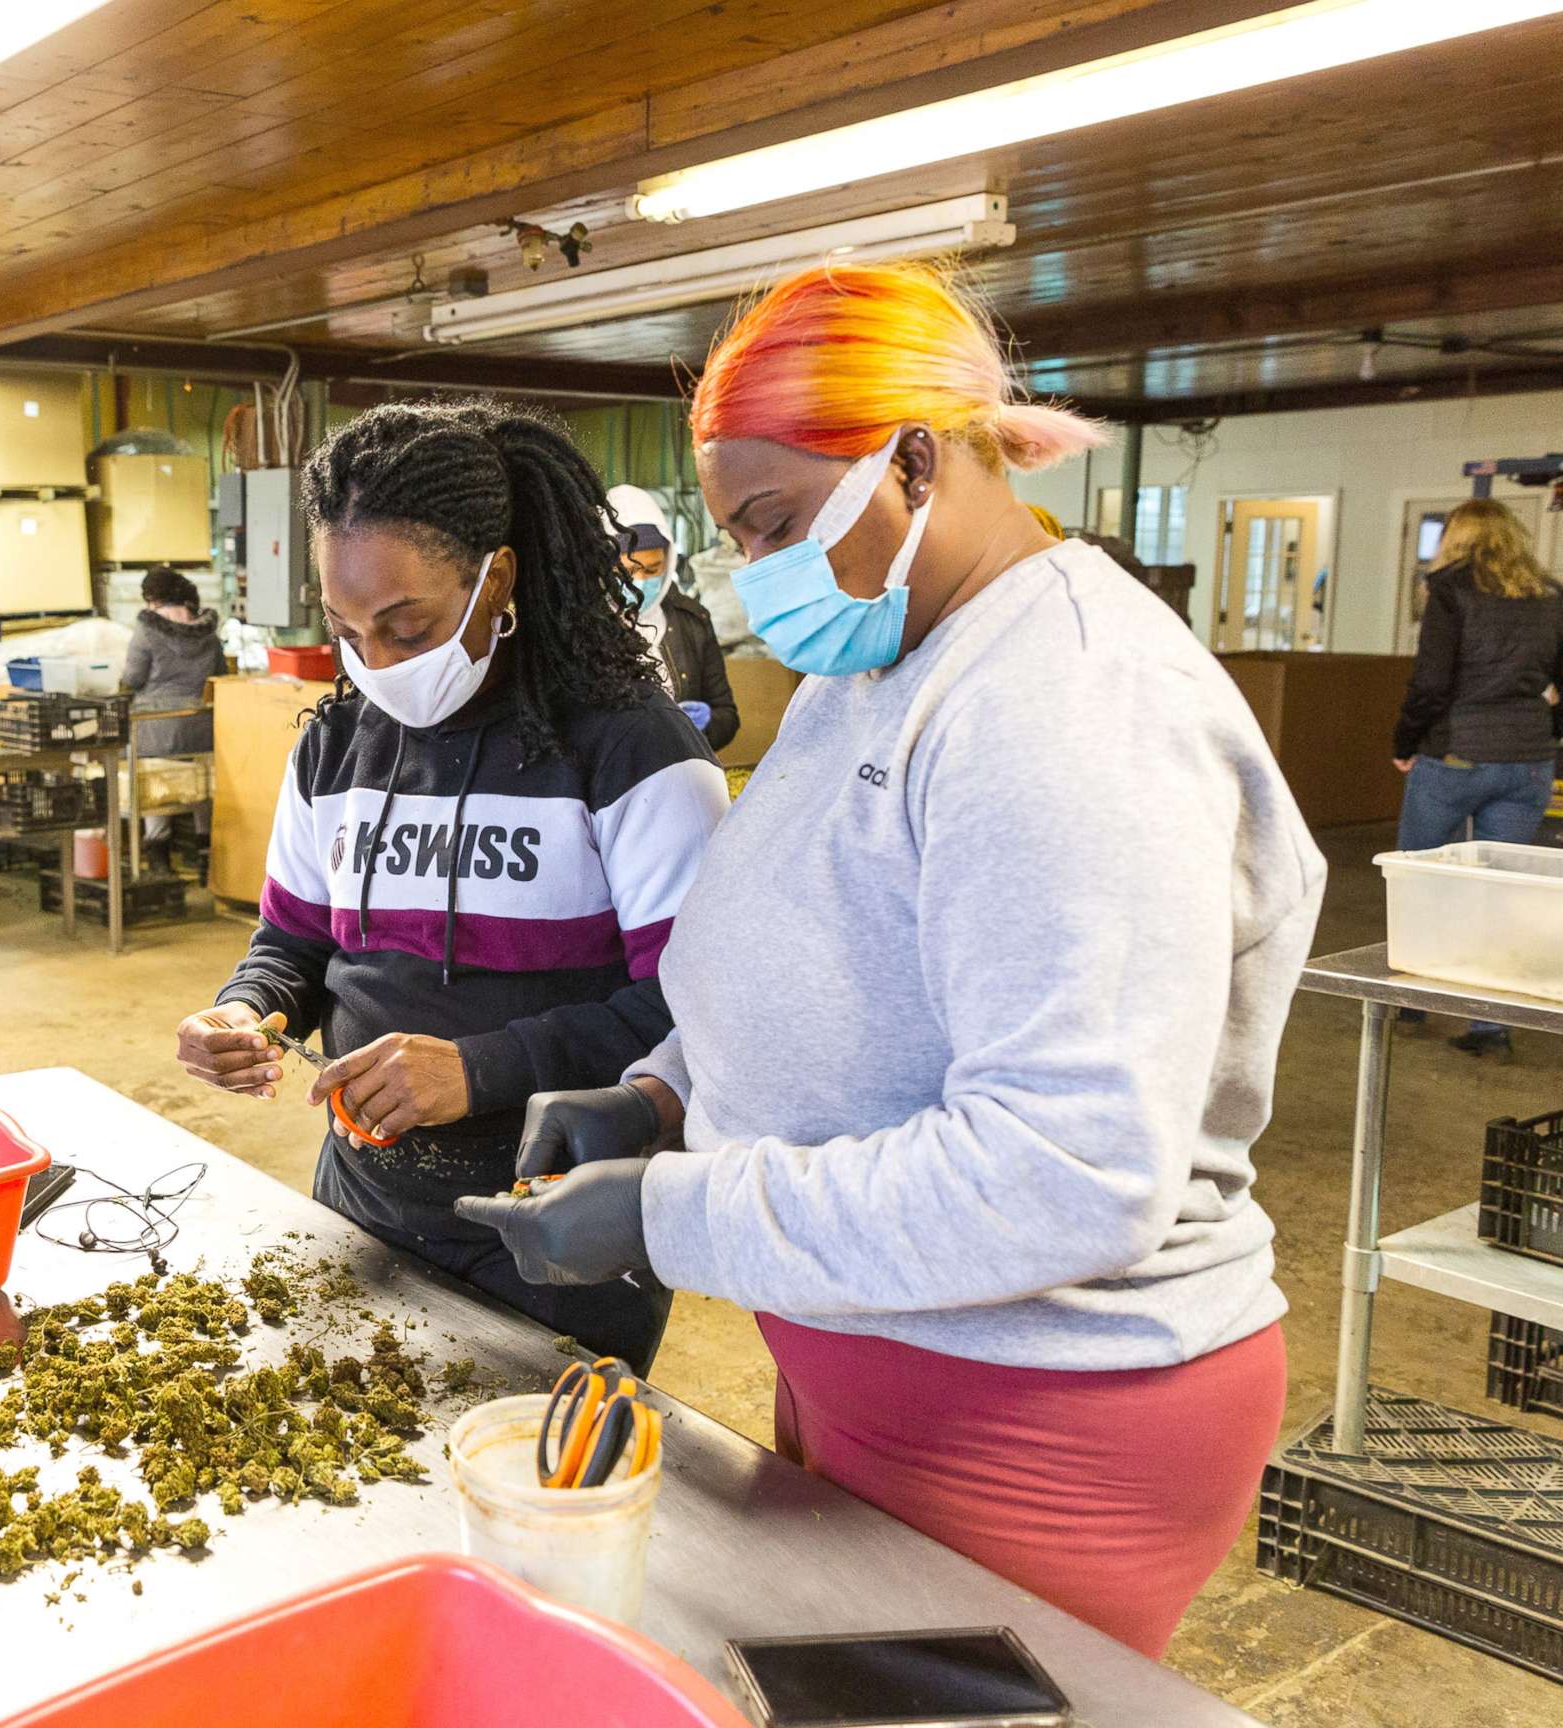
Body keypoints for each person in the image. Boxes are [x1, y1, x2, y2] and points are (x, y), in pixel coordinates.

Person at [458, 264, 1324, 1658]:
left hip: (1043, 1412)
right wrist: (669, 1093)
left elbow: (1071, 1167)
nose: (760, 577)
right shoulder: (887, 658)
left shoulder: (1070, 708)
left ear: (914, 460)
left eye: (777, 525)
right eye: (737, 537)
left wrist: (673, 1214)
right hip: (883, 1340)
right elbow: (826, 932)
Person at [174, 400, 729, 1373]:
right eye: (347, 631)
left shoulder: (629, 749)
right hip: (365, 1193)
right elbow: (294, 945)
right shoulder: (336, 749)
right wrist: (248, 1009)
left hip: (556, 1211)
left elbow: (698, 1007)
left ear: (496, 578)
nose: (378, 664)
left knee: (531, 1489)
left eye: (409, 626)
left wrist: (482, 1068)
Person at [1391, 498, 1563, 1057]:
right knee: (1498, 892)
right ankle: (1490, 1028)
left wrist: (1405, 741)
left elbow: (1431, 683)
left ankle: (1414, 1000)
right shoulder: (1550, 595)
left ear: (1456, 538)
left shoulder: (1449, 589)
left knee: (1422, 877)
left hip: (1456, 755)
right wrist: (1547, 732)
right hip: (1528, 762)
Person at [607, 483, 738, 752]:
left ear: (668, 562)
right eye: (628, 572)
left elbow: (727, 716)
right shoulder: (586, 626)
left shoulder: (692, 621)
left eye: (652, 569)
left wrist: (706, 723)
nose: (640, 582)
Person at [120, 568, 223, 860]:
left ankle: (159, 859)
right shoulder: (208, 632)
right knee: (202, 787)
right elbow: (219, 677)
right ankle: (207, 859)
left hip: (155, 726)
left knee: (157, 787)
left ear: (152, 598)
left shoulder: (147, 629)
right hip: (201, 726)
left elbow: (133, 677)